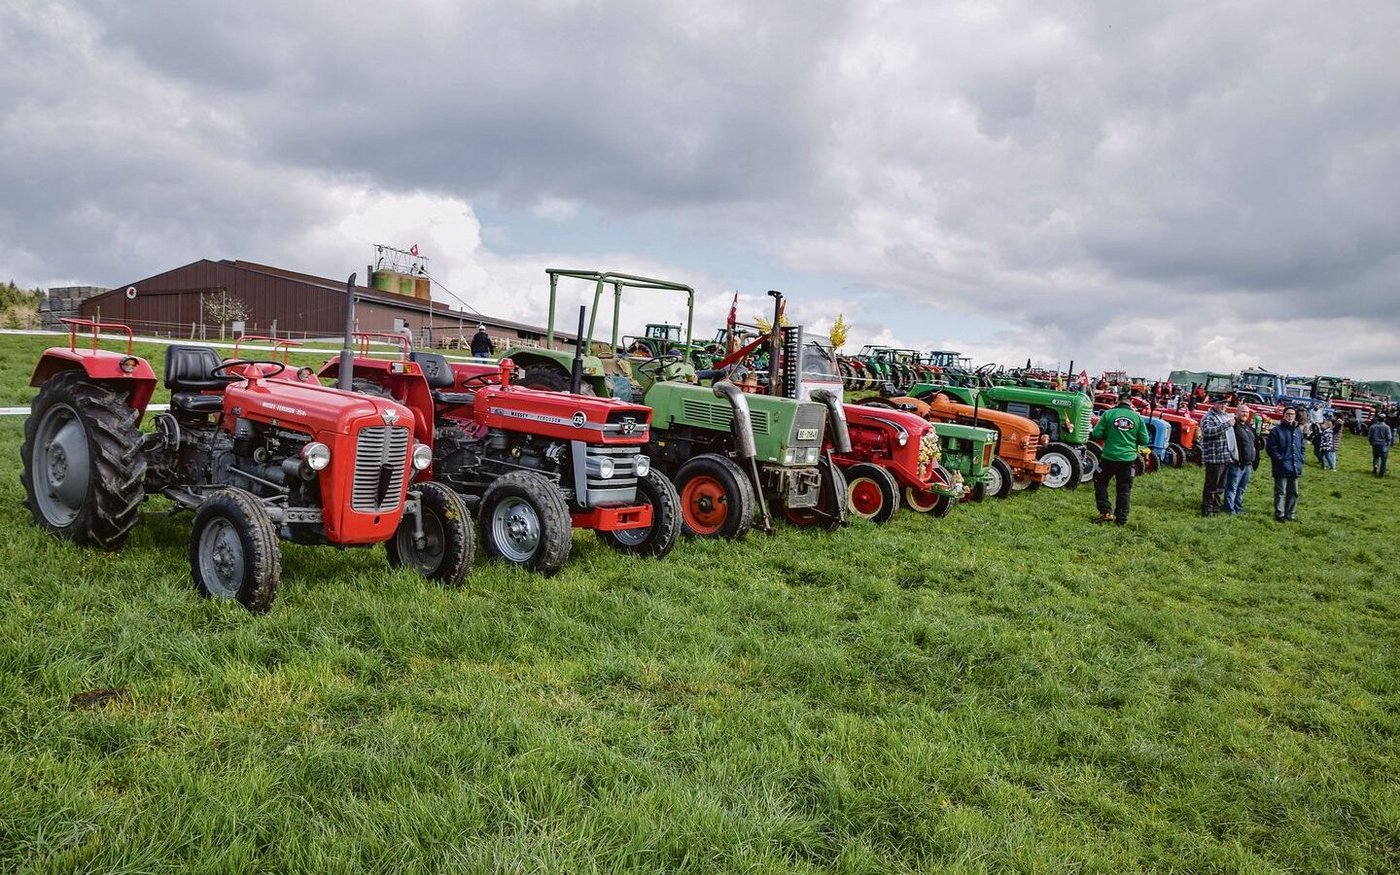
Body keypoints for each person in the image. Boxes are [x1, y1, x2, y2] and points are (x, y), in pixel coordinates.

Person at [1088, 393, 1149, 526]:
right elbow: (1145, 440)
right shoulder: (1137, 418)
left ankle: (1105, 512)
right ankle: (1121, 519)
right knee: (1124, 489)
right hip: (1128, 459)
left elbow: (1097, 433)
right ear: (1131, 402)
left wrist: (1108, 434)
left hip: (1109, 457)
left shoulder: (1108, 414)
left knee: (1100, 481)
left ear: (1118, 401)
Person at [1265, 406, 1306, 522]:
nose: (1290, 416)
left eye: (1292, 414)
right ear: (1284, 415)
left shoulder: (1298, 430)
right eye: (1288, 414)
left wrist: (1301, 458)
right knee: (1281, 492)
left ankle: (1290, 514)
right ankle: (1280, 514)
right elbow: (1271, 448)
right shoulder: (1276, 430)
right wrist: (1280, 460)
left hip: (1294, 466)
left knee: (1294, 492)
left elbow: (1302, 446)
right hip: (1281, 466)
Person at [1198, 399, 1237, 516]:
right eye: (1221, 404)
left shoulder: (1225, 416)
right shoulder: (1209, 417)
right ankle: (1207, 509)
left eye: (1225, 404)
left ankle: (1216, 507)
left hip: (1225, 456)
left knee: (1220, 486)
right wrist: (1226, 425)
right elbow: (1207, 432)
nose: (1223, 406)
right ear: (1214, 404)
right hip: (1214, 457)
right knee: (1211, 485)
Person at [1223, 404, 1259, 514]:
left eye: (1247, 413)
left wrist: (1256, 460)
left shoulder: (1249, 428)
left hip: (1248, 464)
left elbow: (1254, 445)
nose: (1245, 414)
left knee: (1241, 488)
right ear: (1237, 412)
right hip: (1236, 464)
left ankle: (1238, 508)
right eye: (1243, 412)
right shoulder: (1233, 427)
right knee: (1232, 488)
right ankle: (1229, 509)